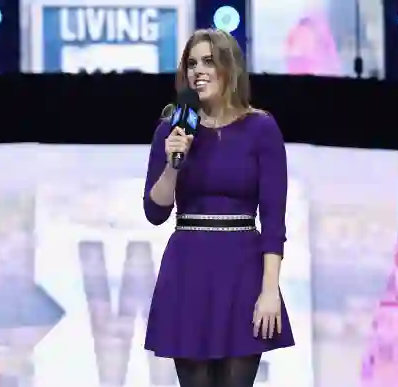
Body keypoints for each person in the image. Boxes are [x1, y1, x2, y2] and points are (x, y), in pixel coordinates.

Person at [143, 29, 294, 387]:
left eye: (208, 61)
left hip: (243, 271)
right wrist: (173, 164)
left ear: (229, 68)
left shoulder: (261, 128)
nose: (199, 70)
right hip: (188, 271)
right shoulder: (171, 129)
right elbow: (155, 212)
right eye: (192, 63)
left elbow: (274, 221)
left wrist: (269, 291)